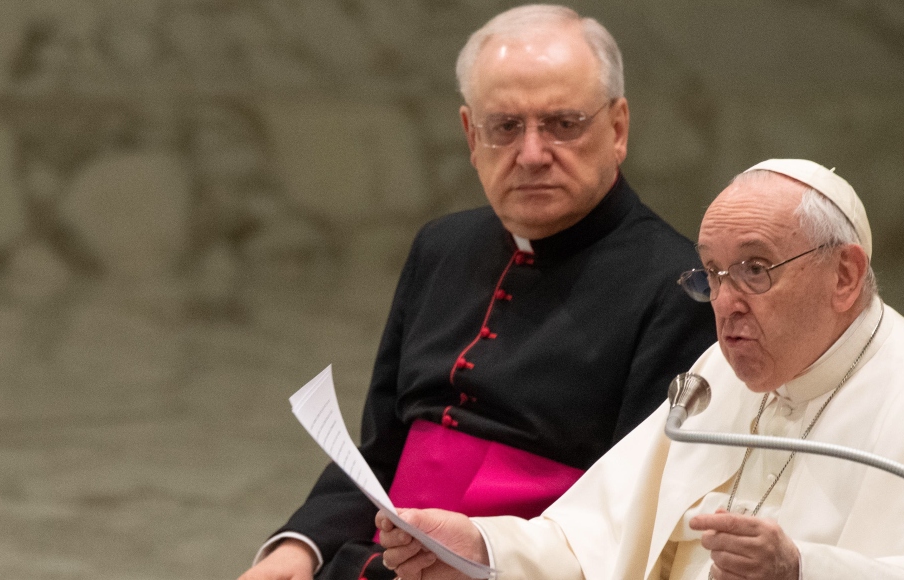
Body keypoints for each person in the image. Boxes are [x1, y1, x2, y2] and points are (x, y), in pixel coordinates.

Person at [376, 159, 904, 579]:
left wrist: (802, 570)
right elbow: (592, 540)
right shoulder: (722, 376)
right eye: (711, 274)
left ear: (845, 276)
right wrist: (482, 546)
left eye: (755, 269)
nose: (726, 302)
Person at [240, 5, 717, 580]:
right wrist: (298, 547)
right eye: (505, 127)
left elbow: (636, 516)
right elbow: (382, 448)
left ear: (617, 129)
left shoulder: (680, 287)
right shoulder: (440, 246)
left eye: (563, 124)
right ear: (471, 135)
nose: (533, 154)